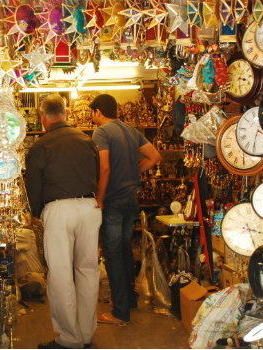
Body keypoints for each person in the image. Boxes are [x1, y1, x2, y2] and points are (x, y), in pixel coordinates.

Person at [25, 94, 102, 349]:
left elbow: (33, 185)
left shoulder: (40, 146)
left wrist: (36, 213)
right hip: (89, 207)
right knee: (87, 271)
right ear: (66, 114)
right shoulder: (86, 140)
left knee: (60, 274)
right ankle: (86, 333)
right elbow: (99, 172)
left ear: (43, 117)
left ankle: (69, 338)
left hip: (59, 209)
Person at [89, 94, 162, 325]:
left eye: (93, 113)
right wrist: (134, 173)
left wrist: (99, 199)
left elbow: (105, 168)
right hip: (131, 198)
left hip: (113, 200)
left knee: (112, 254)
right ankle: (128, 300)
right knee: (124, 251)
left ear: (98, 112)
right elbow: (155, 157)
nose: (93, 117)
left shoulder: (101, 132)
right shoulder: (130, 130)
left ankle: (119, 312)